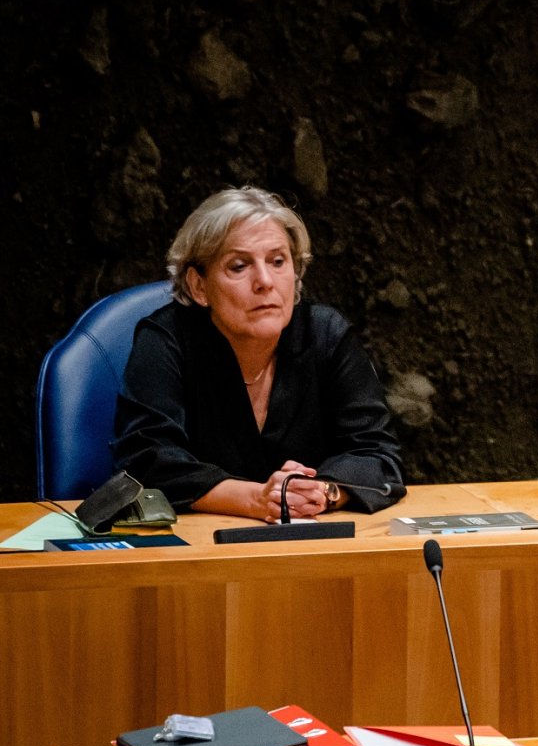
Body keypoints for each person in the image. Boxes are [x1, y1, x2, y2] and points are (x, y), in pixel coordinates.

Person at [113, 187, 406, 521]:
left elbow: (378, 454)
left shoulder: (325, 335)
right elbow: (146, 461)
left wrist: (323, 492)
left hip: (308, 551)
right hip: (197, 554)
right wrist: (256, 499)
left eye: (278, 261)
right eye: (239, 266)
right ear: (198, 286)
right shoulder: (165, 340)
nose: (265, 281)